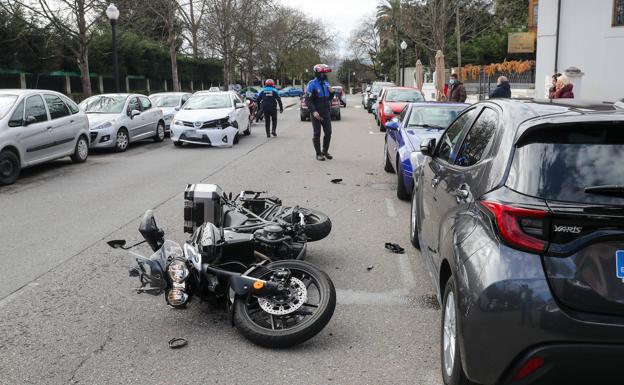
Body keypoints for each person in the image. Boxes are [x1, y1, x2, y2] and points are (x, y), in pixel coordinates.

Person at [305, 64, 335, 161]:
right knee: (317, 133)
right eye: (323, 73)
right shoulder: (312, 84)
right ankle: (318, 154)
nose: (325, 75)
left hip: (326, 111)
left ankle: (325, 151)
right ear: (318, 73)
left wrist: (332, 92)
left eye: (325, 73)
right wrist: (313, 111)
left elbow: (329, 98)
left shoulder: (326, 83)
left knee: (328, 132)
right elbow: (308, 100)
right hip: (316, 113)